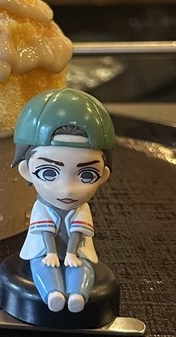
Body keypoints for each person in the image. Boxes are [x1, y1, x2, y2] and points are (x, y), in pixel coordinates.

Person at [13, 88, 115, 313]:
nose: (67, 189)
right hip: (45, 249)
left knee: (82, 265)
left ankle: (78, 294)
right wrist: (52, 252)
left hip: (75, 250)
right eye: (49, 173)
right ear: (26, 171)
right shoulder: (41, 209)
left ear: (103, 176)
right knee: (41, 263)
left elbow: (79, 234)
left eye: (87, 175)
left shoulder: (82, 210)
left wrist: (71, 253)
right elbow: (45, 232)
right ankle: (53, 293)